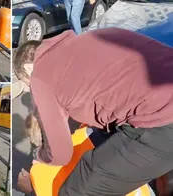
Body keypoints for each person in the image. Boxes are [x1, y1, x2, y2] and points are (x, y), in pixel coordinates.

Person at [13, 27, 173, 195]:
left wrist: (39, 155)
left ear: (28, 69)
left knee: (75, 190)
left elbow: (60, 154)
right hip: (159, 100)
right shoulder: (93, 35)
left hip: (161, 118)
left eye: (27, 84)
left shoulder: (40, 75)